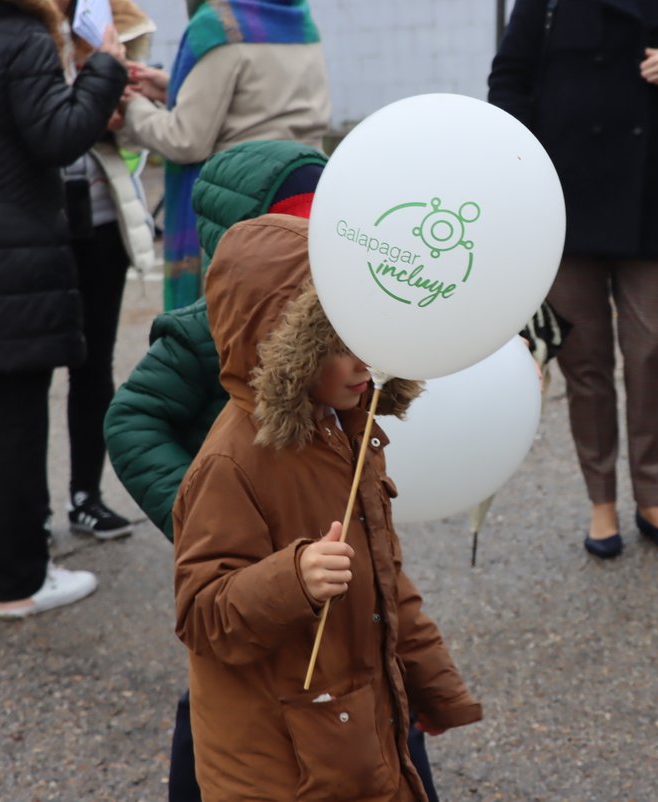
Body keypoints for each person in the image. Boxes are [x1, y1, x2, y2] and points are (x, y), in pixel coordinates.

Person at [105, 141, 448, 802]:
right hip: (252, 567)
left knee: (368, 701)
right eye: (301, 225)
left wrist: (434, 683)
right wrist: (201, 514)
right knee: (231, 711)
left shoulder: (346, 371)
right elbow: (132, 419)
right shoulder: (204, 335)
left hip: (324, 587)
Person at [173, 213, 481, 800]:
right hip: (278, 768)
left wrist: (432, 682)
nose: (364, 360)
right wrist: (294, 579)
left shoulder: (348, 431)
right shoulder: (231, 463)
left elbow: (383, 576)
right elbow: (202, 616)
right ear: (284, 347)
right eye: (337, 344)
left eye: (367, 332)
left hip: (350, 739)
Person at [488, 0, 658, 558]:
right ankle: (601, 501)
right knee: (586, 361)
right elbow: (509, 79)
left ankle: (652, 495)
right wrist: (514, 171)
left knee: (653, 351)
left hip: (650, 200)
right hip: (562, 202)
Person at [0, 0, 127, 617]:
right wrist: (106, 67)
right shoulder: (20, 36)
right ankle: (21, 581)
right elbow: (58, 136)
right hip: (9, 257)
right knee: (14, 420)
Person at [118, 0, 330, 309]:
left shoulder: (220, 24)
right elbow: (263, 101)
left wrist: (131, 106)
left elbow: (185, 139)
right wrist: (174, 91)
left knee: (231, 333)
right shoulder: (297, 15)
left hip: (242, 204)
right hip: (305, 197)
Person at [55, 0, 159, 539]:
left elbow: (125, 117)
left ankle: (85, 496)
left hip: (101, 218)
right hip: (38, 221)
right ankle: (25, 512)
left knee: (93, 366)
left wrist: (118, 100)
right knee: (23, 374)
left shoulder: (105, 18)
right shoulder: (17, 25)